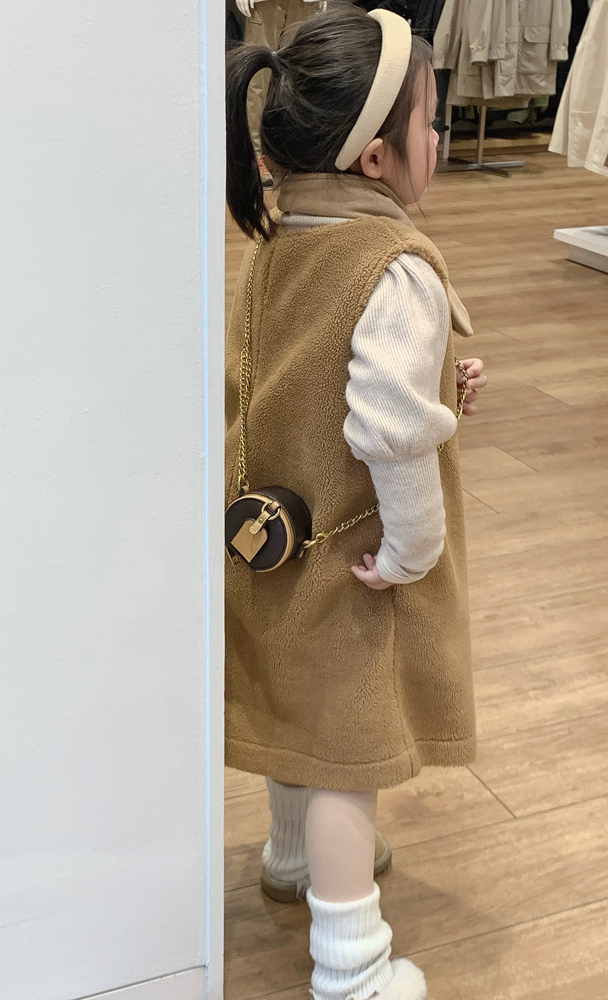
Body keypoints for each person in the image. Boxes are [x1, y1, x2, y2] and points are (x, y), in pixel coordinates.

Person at [224, 5, 488, 999]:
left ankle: (292, 855)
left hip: (271, 534)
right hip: (352, 553)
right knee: (349, 748)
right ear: (377, 158)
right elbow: (387, 429)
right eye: (432, 122)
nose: (441, 139)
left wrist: (440, 385)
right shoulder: (394, 266)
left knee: (299, 702)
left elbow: (308, 376)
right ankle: (353, 968)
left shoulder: (279, 243)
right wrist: (416, 549)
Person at [235, 0, 327, 186]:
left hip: (303, 4)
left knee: (298, 76)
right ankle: (256, 155)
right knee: (258, 79)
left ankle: (291, 153)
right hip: (265, 4)